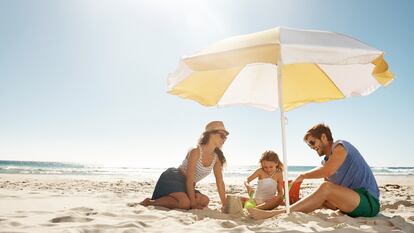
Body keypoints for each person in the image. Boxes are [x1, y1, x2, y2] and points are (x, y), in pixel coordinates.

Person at [249, 123, 380, 219]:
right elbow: (331, 204)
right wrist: (302, 203)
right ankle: (282, 210)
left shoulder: (340, 146)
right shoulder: (325, 162)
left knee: (325, 187)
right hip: (351, 206)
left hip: (368, 202)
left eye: (312, 142)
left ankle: (275, 214)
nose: (311, 147)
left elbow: (328, 171)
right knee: (322, 192)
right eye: (309, 145)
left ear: (323, 137)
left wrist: (303, 176)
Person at [140, 121, 228, 211]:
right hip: (174, 177)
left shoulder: (216, 158)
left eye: (226, 137)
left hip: (188, 184)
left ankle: (176, 199)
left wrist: (224, 204)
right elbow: (189, 179)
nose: (224, 139)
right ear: (210, 134)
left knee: (205, 200)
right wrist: (193, 204)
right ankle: (150, 202)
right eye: (222, 135)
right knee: (185, 203)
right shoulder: (196, 151)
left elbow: (220, 182)